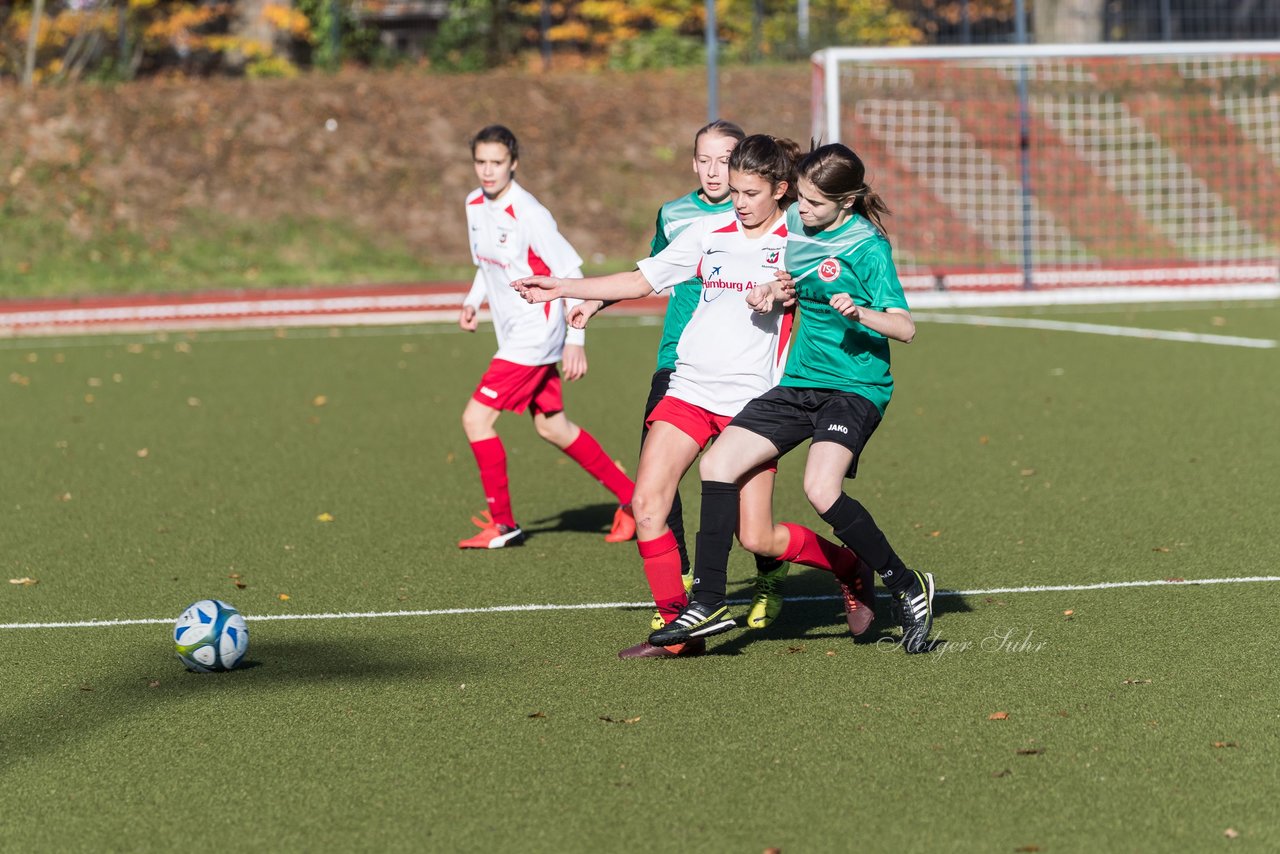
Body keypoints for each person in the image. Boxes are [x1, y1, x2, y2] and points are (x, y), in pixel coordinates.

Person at [514, 135, 876, 658]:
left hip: (754, 406)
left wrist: (792, 289)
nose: (739, 202)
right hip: (688, 388)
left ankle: (849, 566)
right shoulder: (707, 231)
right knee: (647, 505)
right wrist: (563, 287)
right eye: (734, 192)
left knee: (757, 538)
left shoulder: (802, 239)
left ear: (780, 190)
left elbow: (838, 275)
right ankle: (679, 632)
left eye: (751, 193)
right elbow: (642, 280)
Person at [648, 142, 936, 654]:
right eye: (799, 199)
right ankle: (709, 601)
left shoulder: (868, 247)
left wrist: (861, 313)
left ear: (844, 203)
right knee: (717, 465)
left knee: (820, 490)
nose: (801, 212)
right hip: (798, 381)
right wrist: (773, 290)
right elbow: (792, 279)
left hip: (854, 387)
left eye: (813, 204)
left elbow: (906, 327)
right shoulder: (797, 228)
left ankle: (906, 585)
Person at [567, 120, 800, 632]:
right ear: (693, 162)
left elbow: (802, 278)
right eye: (705, 159)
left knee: (751, 524)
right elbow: (648, 271)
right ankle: (679, 602)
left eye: (726, 161)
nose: (715, 171)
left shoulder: (787, 227)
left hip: (749, 379)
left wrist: (781, 290)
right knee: (656, 493)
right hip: (679, 364)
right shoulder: (679, 217)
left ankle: (768, 572)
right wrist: (589, 298)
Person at [457, 124, 636, 549]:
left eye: (496, 162)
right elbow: (489, 265)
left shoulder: (530, 213)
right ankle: (633, 500)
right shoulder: (473, 204)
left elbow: (571, 276)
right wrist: (472, 301)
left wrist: (575, 340)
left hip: (537, 333)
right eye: (481, 162)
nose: (488, 171)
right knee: (552, 426)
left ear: (513, 164)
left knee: (475, 418)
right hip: (513, 332)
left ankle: (503, 524)